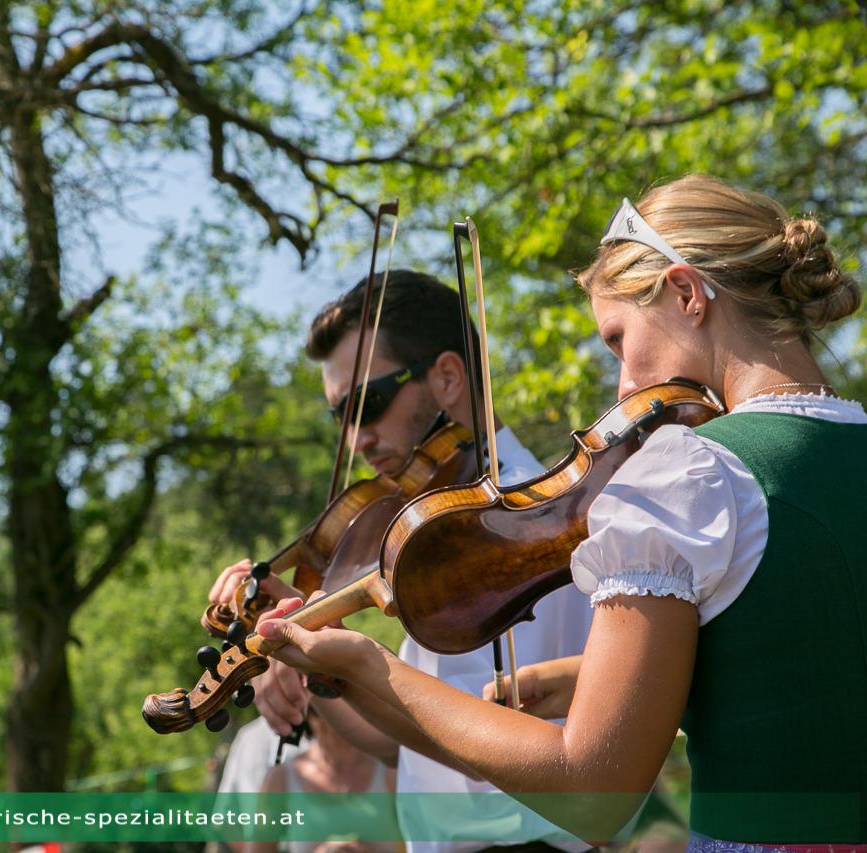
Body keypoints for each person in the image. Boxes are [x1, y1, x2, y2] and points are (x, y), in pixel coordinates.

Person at [254, 175, 866, 848]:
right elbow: (797, 660)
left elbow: (592, 792)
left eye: (616, 338)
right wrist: (586, 676)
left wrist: (373, 666)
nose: (625, 384)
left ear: (687, 294)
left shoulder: (691, 471)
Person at [212, 270, 595, 853]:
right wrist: (308, 658)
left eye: (369, 404)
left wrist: (357, 663)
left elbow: (477, 746)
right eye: (339, 416)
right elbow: (414, 746)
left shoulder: (527, 522)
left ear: (446, 377)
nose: (354, 440)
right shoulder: (430, 526)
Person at [244, 704, 399, 853]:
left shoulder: (391, 768)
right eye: (318, 710)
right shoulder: (281, 777)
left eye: (342, 706)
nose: (332, 720)